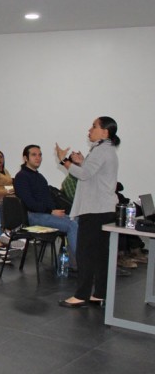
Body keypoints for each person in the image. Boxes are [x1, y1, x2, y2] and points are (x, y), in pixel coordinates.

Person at [56, 117, 120, 308]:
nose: (89, 130)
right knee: (100, 254)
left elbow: (84, 175)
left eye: (94, 126)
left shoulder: (101, 150)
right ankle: (99, 293)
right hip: (103, 209)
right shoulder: (107, 149)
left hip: (94, 210)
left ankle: (81, 295)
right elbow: (93, 173)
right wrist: (82, 162)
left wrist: (64, 161)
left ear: (105, 132)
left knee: (85, 253)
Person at [13, 144, 79, 268]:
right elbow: (30, 203)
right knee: (72, 225)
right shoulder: (21, 177)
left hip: (46, 213)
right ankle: (82, 265)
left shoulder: (39, 177)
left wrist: (55, 211)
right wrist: (51, 211)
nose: (38, 157)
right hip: (33, 216)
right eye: (34, 155)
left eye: (40, 155)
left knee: (77, 220)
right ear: (25, 158)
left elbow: (48, 200)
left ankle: (73, 263)